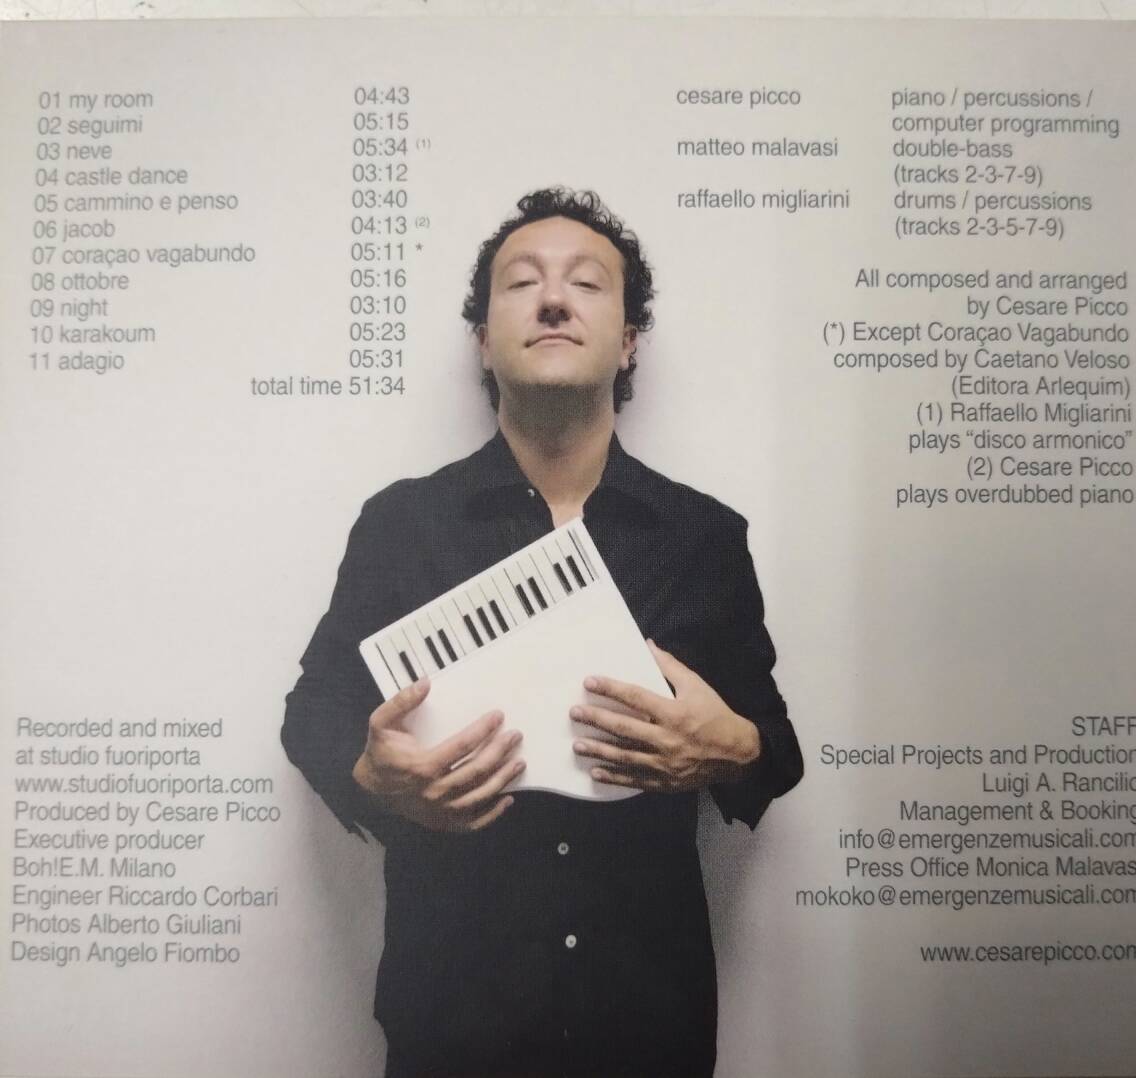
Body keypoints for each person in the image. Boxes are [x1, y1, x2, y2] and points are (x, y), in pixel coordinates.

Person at [282, 188, 803, 1078]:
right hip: (451, 1028)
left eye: (586, 284)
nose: (554, 300)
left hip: (648, 1028)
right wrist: (373, 776)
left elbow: (776, 749)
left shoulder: (703, 538)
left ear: (628, 341)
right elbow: (315, 711)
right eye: (522, 283)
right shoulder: (403, 525)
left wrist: (730, 748)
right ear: (484, 340)